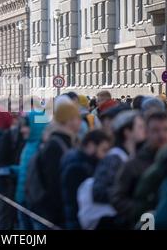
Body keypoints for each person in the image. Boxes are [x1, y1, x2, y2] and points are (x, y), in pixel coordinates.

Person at [110, 111, 167, 227]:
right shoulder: (133, 164)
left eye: (166, 129)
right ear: (147, 133)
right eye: (155, 130)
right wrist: (140, 211)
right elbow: (117, 198)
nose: (162, 135)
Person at [28, 99, 82, 229]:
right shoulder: (55, 145)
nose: (80, 121)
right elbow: (54, 183)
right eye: (77, 118)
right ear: (69, 120)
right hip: (55, 215)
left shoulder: (68, 141)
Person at [91, 110, 146, 229]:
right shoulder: (114, 158)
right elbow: (98, 192)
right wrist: (125, 196)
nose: (144, 130)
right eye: (140, 126)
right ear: (127, 132)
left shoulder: (131, 155)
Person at [61, 130, 112, 229]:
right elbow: (75, 205)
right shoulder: (77, 169)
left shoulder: (85, 164)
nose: (106, 156)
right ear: (91, 146)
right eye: (104, 150)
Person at [15, 110, 48, 230]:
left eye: (26, 126)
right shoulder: (28, 145)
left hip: (35, 203)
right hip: (22, 199)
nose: (22, 130)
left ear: (36, 127)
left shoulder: (43, 148)